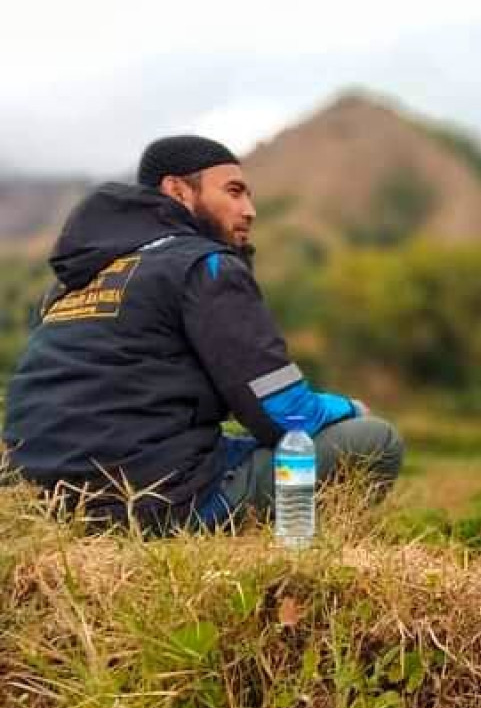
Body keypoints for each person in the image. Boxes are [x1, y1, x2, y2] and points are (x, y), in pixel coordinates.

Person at [2, 135, 403, 534]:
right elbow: (284, 413)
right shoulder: (203, 265)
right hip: (154, 504)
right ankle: (294, 551)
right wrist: (350, 408)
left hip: (44, 500)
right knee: (373, 440)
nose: (249, 210)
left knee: (232, 438)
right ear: (178, 190)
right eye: (233, 192)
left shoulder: (71, 284)